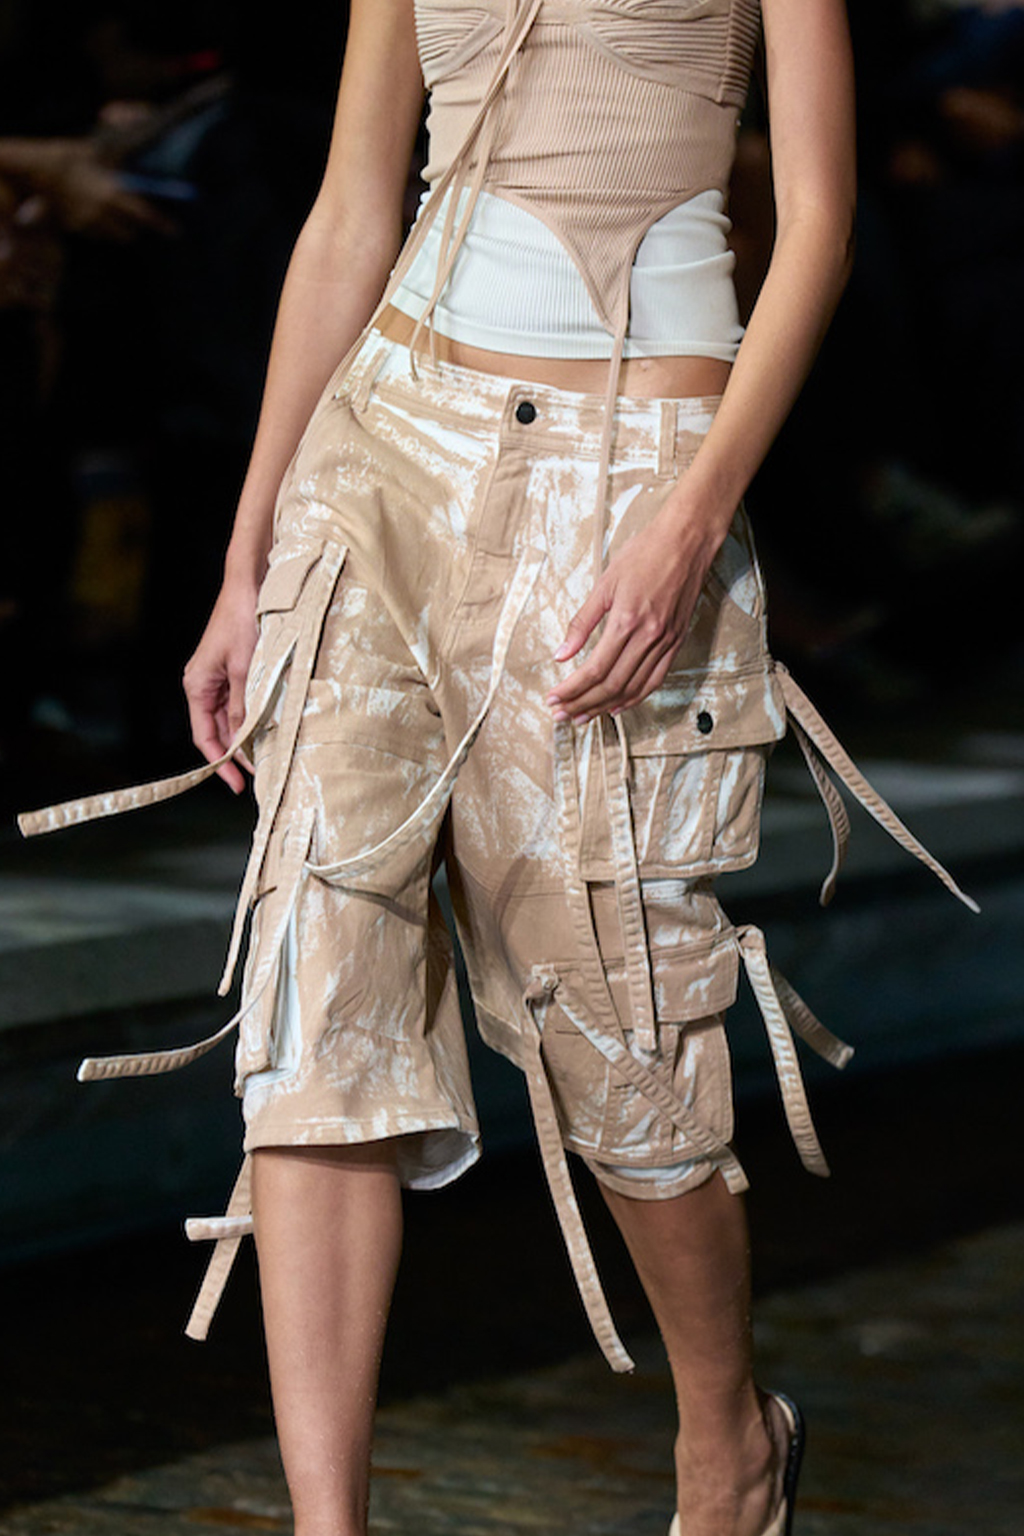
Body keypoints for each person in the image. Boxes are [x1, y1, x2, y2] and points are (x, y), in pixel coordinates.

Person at [17, 3, 979, 1534]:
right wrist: (250, 555)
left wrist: (691, 519)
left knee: (623, 1028)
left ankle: (727, 1441)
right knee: (318, 987)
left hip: (625, 463)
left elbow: (816, 224)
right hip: (383, 449)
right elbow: (350, 211)